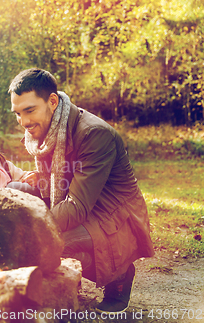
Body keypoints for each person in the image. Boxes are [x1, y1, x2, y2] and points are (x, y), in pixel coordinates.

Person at [8, 68, 154, 313]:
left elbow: (76, 207)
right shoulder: (45, 130)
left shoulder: (94, 134)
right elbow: (54, 184)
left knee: (47, 244)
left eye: (30, 110)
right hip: (75, 201)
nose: (24, 122)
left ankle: (119, 274)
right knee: (14, 193)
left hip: (112, 218)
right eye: (18, 113)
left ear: (52, 102)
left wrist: (28, 232)